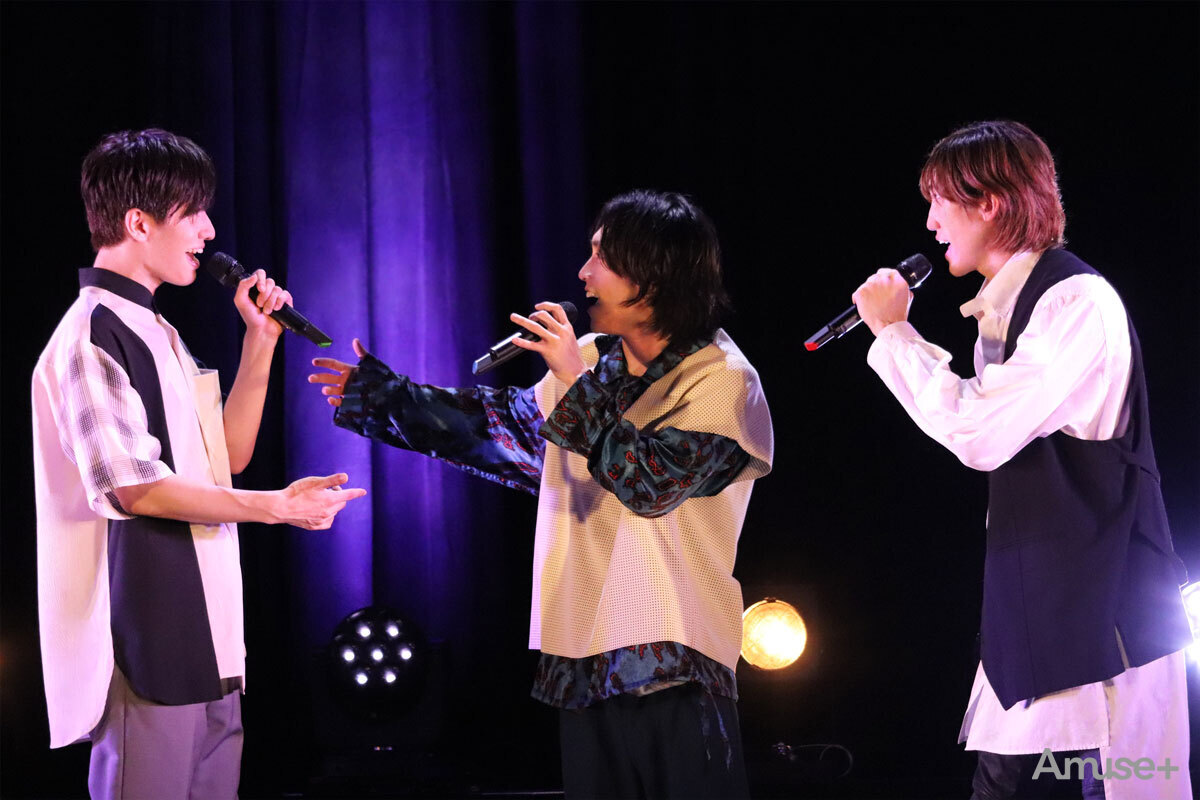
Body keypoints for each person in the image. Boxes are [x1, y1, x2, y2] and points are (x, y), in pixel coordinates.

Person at [309, 189, 774, 799]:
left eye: (601, 257)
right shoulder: (596, 361)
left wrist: (575, 378)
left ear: (652, 276)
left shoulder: (721, 379)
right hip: (584, 648)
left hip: (675, 659)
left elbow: (650, 483)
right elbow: (503, 434)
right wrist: (386, 396)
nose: (583, 273)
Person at [851, 120, 1192, 800]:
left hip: (1109, 622)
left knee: (1118, 785)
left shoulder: (1076, 301)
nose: (930, 222)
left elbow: (978, 431)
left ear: (991, 202)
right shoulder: (1003, 315)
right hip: (1038, 617)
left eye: (939, 201)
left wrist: (894, 333)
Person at [32, 128, 366, 800]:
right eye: (192, 213)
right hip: (144, 637)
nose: (209, 231)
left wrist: (260, 342)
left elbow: (225, 458)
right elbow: (134, 488)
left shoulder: (159, 331)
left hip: (209, 634)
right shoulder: (92, 334)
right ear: (138, 222)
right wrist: (277, 507)